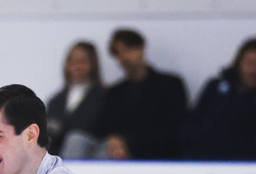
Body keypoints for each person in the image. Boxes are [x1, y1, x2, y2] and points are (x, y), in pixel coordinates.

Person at [65, 28, 187, 159]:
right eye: (118, 53)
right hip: (115, 149)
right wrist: (114, 140)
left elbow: (174, 129)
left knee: (107, 153)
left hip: (151, 152)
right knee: (76, 139)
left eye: (128, 49)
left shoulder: (169, 85)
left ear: (141, 49)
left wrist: (129, 144)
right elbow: (102, 129)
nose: (123, 57)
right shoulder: (115, 92)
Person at [182, 37, 256, 160]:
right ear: (238, 64)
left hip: (248, 165)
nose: (253, 70)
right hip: (203, 161)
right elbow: (193, 121)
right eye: (249, 63)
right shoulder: (215, 87)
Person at [44, 41, 106, 157]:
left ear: (93, 64)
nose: (77, 66)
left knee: (75, 140)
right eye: (72, 61)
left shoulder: (104, 96)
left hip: (90, 151)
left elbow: (94, 128)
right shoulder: (56, 100)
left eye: (82, 61)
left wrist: (60, 128)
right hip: (59, 153)